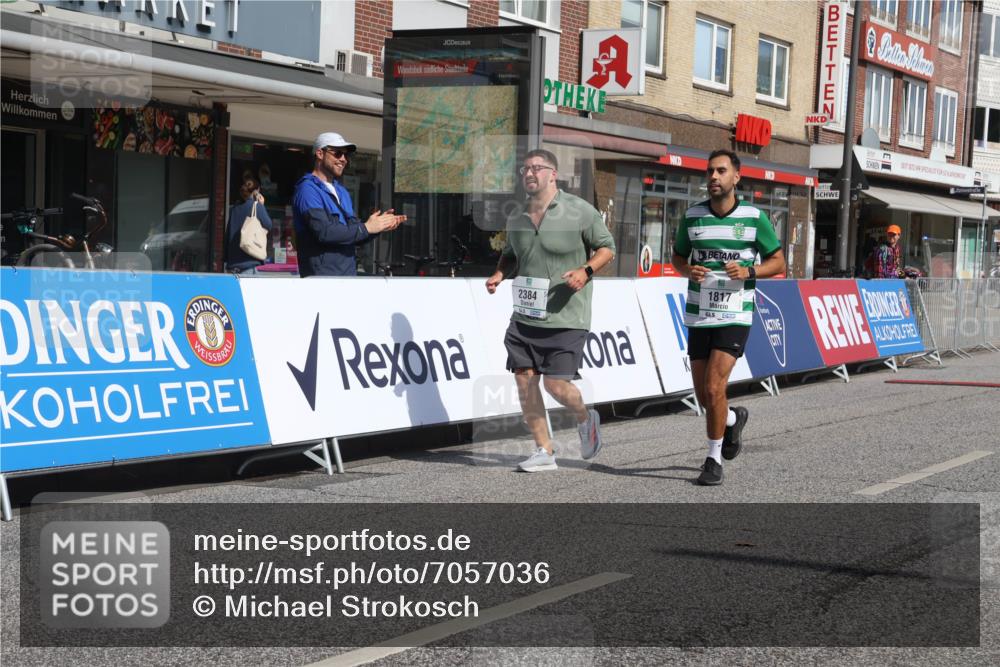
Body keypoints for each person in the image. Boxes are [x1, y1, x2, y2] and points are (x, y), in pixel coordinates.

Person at [485, 149, 616, 472]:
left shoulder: (579, 211)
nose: (529, 174)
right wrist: (500, 274)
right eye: (524, 169)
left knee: (555, 385)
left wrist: (585, 271)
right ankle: (543, 450)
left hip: (566, 315)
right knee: (525, 382)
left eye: (537, 168)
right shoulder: (517, 216)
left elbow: (607, 248)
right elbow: (512, 253)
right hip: (526, 316)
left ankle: (586, 419)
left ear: (553, 174)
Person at [671, 149, 786, 486]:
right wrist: (687, 270)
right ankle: (733, 419)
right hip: (699, 313)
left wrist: (749, 269)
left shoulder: (753, 217)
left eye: (721, 171)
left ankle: (712, 458)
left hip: (735, 313)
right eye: (710, 171)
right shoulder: (692, 216)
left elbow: (778, 262)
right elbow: (677, 258)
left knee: (714, 385)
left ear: (737, 177)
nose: (714, 177)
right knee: (705, 395)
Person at [292, 132, 405, 277]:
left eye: (346, 155)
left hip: (347, 276)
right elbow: (324, 232)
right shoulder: (307, 189)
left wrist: (378, 226)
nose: (343, 159)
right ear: (320, 154)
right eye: (338, 153)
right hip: (322, 280)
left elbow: (353, 234)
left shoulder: (342, 191)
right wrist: (366, 227)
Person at [225, 178, 272, 275]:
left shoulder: (234, 208)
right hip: (249, 264)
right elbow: (268, 225)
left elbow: (227, 235)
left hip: (233, 265)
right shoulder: (257, 206)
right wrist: (261, 205)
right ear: (256, 192)